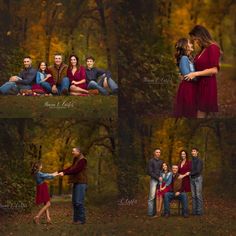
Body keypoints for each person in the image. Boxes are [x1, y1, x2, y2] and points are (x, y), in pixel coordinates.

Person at [185, 25, 221, 118]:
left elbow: (214, 70)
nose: (195, 42)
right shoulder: (202, 50)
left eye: (196, 39)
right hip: (199, 85)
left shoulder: (213, 48)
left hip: (207, 85)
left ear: (201, 36)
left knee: (200, 113)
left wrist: (195, 73)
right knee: (199, 113)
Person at [58, 147, 87, 224]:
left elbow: (76, 170)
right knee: (74, 202)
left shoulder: (82, 160)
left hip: (81, 183)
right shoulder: (76, 159)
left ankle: (81, 220)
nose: (72, 152)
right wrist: (60, 171)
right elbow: (71, 168)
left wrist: (64, 173)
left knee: (78, 202)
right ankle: (76, 220)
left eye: (73, 151)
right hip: (76, 182)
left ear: (78, 151)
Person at [173, 38, 198, 118]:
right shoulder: (184, 58)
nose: (191, 44)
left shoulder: (188, 58)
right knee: (189, 110)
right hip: (188, 87)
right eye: (189, 43)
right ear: (185, 46)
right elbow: (187, 76)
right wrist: (199, 77)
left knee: (191, 110)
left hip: (190, 86)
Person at [147, 148, 163, 217]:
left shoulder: (161, 162)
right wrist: (157, 177)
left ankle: (158, 212)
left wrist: (162, 177)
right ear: (154, 153)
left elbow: (162, 170)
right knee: (152, 197)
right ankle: (150, 213)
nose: (158, 153)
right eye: (157, 152)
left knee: (159, 196)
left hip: (160, 180)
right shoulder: (151, 161)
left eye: (159, 152)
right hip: (153, 180)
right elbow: (150, 172)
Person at [190, 147, 203, 216]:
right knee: (193, 196)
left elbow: (198, 171)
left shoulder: (199, 160)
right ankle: (194, 211)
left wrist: (189, 173)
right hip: (192, 179)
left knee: (198, 195)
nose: (193, 152)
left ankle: (199, 212)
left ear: (197, 152)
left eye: (194, 151)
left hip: (198, 178)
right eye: (192, 151)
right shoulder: (191, 161)